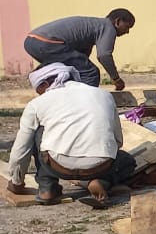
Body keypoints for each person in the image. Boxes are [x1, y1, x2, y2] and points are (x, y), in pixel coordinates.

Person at [6, 63, 136, 209]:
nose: (39, 94)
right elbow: (118, 141)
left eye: (39, 90)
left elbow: (21, 148)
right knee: (127, 161)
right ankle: (101, 180)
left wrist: (16, 182)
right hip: (101, 165)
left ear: (45, 84)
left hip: (57, 165)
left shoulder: (37, 104)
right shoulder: (103, 95)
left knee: (37, 132)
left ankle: (47, 187)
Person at [24, 9, 135, 90]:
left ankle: (57, 95)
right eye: (127, 27)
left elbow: (81, 58)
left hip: (32, 41)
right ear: (118, 22)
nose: (127, 32)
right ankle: (83, 105)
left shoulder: (94, 27)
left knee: (72, 70)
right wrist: (116, 79)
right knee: (91, 73)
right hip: (47, 42)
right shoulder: (108, 27)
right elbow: (104, 56)